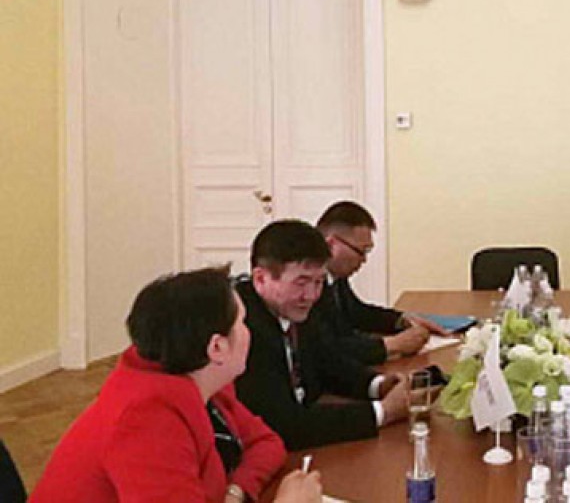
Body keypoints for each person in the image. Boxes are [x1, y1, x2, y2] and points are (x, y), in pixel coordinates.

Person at [31, 267, 321, 502]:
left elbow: (266, 442)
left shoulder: (199, 381)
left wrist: (235, 492)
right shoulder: (146, 420)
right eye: (242, 323)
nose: (249, 332)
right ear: (217, 348)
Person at [234, 220, 411, 451]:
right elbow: (285, 426)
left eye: (318, 282)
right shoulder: (241, 330)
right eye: (301, 283)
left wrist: (377, 385)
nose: (311, 295)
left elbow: (327, 362)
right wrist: (383, 411)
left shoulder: (291, 308)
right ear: (260, 279)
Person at [312, 200, 449, 365]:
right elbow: (325, 350)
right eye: (361, 251)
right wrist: (391, 345)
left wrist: (402, 319)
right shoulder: (308, 288)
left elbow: (358, 313)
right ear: (331, 245)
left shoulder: (336, 276)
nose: (364, 260)